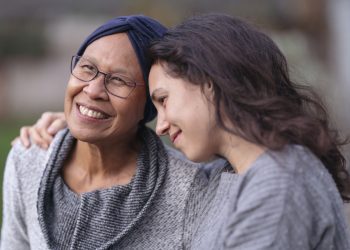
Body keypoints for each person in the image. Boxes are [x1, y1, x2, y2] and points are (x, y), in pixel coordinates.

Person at [23, 13, 350, 249]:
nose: (161, 125)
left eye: (164, 100)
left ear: (211, 84)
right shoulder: (234, 176)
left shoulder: (277, 189)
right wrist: (84, 122)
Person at [1, 15, 216, 250]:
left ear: (150, 101)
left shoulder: (188, 190)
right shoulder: (28, 159)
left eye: (118, 80)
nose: (93, 90)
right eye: (87, 68)